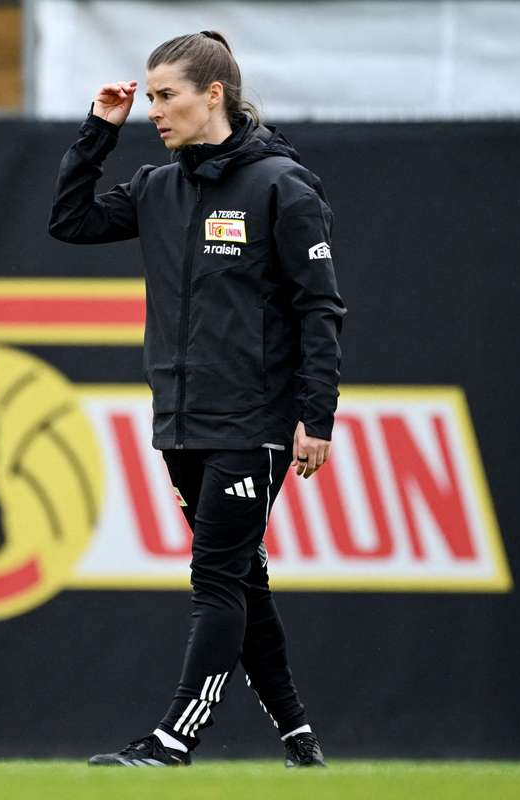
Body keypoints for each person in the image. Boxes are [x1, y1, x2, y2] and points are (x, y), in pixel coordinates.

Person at [49, 31, 344, 768]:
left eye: (165, 95)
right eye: (148, 97)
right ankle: (299, 738)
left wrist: (316, 417)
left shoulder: (280, 185)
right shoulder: (158, 186)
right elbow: (70, 221)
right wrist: (99, 129)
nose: (153, 110)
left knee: (215, 581)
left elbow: (319, 309)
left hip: (254, 423)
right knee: (243, 581)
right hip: (181, 423)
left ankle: (174, 738)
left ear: (213, 95)